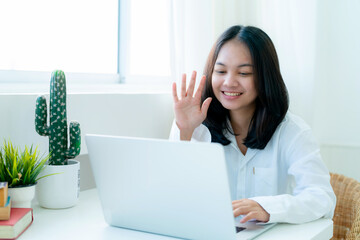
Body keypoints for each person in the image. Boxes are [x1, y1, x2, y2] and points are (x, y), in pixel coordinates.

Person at [169, 25, 336, 224]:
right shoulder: (195, 125)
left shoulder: (293, 132)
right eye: (221, 71)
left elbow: (322, 198)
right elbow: (171, 194)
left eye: (244, 73)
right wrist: (185, 133)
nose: (229, 82)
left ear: (265, 77)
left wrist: (267, 208)